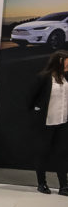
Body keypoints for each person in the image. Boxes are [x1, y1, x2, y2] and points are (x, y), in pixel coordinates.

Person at [30, 50, 68, 195]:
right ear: (59, 62)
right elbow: (31, 98)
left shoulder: (65, 78)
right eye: (66, 63)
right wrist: (37, 112)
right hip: (46, 122)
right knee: (42, 153)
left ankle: (64, 186)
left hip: (62, 122)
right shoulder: (44, 77)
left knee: (62, 154)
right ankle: (41, 183)